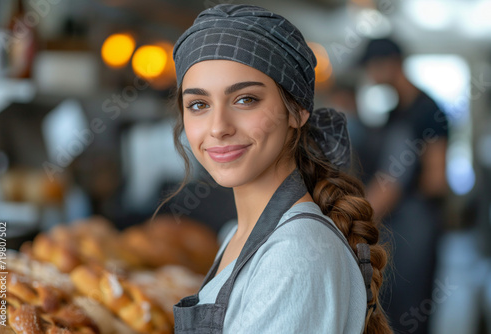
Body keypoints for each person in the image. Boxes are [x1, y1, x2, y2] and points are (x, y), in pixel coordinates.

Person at [164, 4, 392, 333]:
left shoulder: (296, 254)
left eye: (245, 99)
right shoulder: (238, 234)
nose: (218, 128)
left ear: (297, 111)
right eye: (199, 104)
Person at [360, 38, 449, 334]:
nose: (369, 76)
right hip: (395, 225)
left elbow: (436, 180)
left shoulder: (426, 110)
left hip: (415, 222)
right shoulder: (396, 111)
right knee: (392, 305)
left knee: (411, 308)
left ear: (390, 64)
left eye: (372, 67)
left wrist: (370, 214)